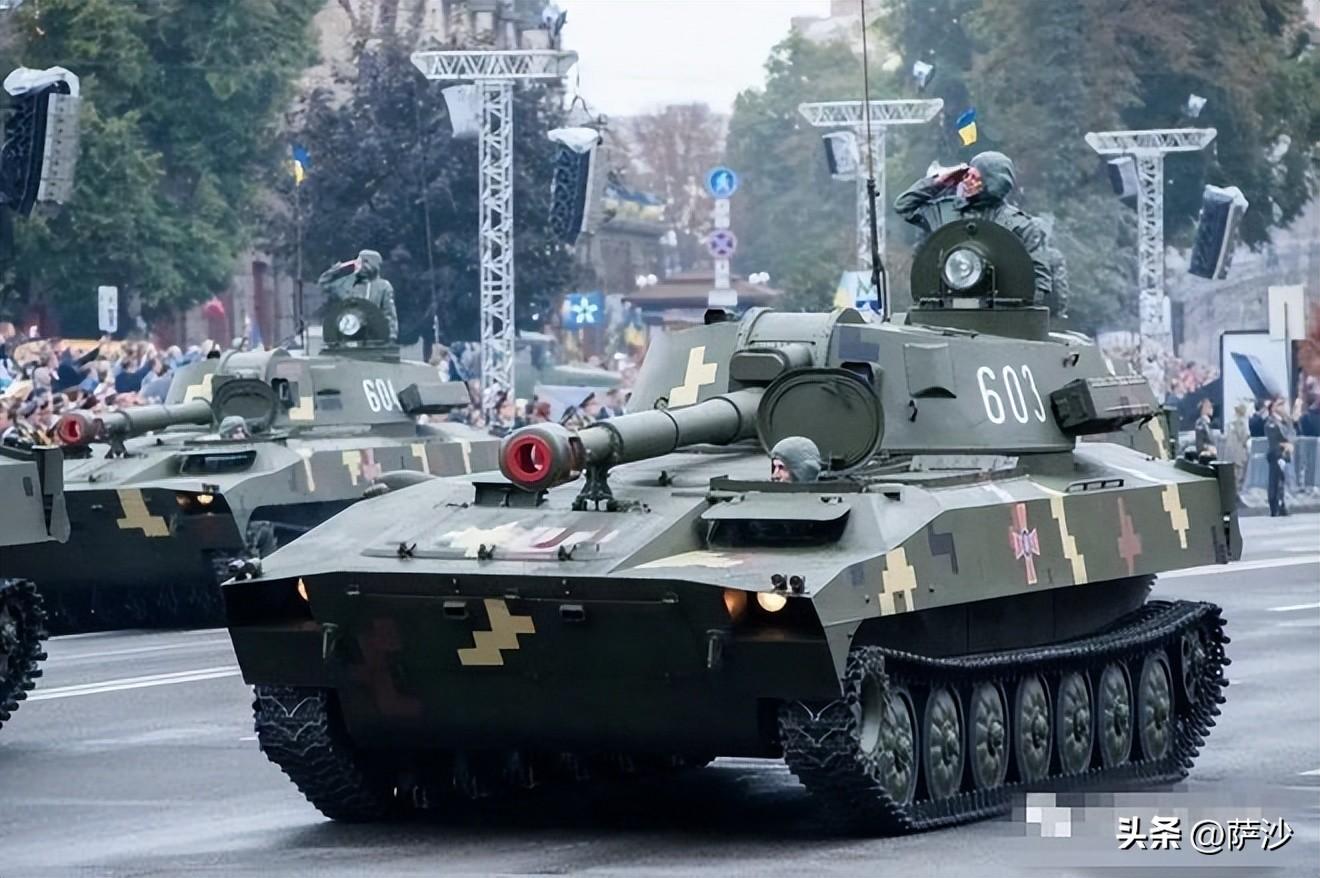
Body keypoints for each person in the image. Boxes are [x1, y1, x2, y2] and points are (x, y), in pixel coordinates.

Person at [894, 151, 1056, 310]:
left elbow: (1039, 280)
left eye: (975, 177)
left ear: (993, 182)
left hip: (1000, 313)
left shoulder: (1019, 225)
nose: (966, 181)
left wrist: (1021, 314)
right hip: (944, 306)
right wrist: (938, 182)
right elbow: (903, 206)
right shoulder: (944, 211)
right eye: (967, 175)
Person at [318, 249, 399, 342]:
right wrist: (339, 268)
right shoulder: (348, 283)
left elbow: (389, 314)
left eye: (360, 262)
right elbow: (324, 283)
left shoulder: (383, 286)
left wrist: (391, 336)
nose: (356, 265)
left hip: (372, 337)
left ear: (369, 264)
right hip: (349, 334)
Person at [1264, 397, 1292, 517]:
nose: (1283, 407)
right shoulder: (1271, 422)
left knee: (1282, 480)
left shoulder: (1283, 421)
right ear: (1273, 408)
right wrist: (1284, 445)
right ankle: (1274, 506)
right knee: (1275, 481)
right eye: (1280, 405)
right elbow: (1274, 439)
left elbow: (1291, 434)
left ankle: (1282, 505)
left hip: (1284, 454)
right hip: (1276, 454)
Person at [1224, 402, 1251, 489]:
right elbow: (1243, 437)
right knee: (1239, 474)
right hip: (1239, 451)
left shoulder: (1229, 423)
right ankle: (1236, 491)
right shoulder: (1241, 423)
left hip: (1230, 452)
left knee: (1233, 474)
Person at [1193, 398, 1216, 462]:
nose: (1212, 409)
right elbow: (1200, 443)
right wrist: (1209, 448)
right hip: (1205, 457)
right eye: (1209, 407)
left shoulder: (1207, 423)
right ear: (1204, 408)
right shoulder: (1201, 423)